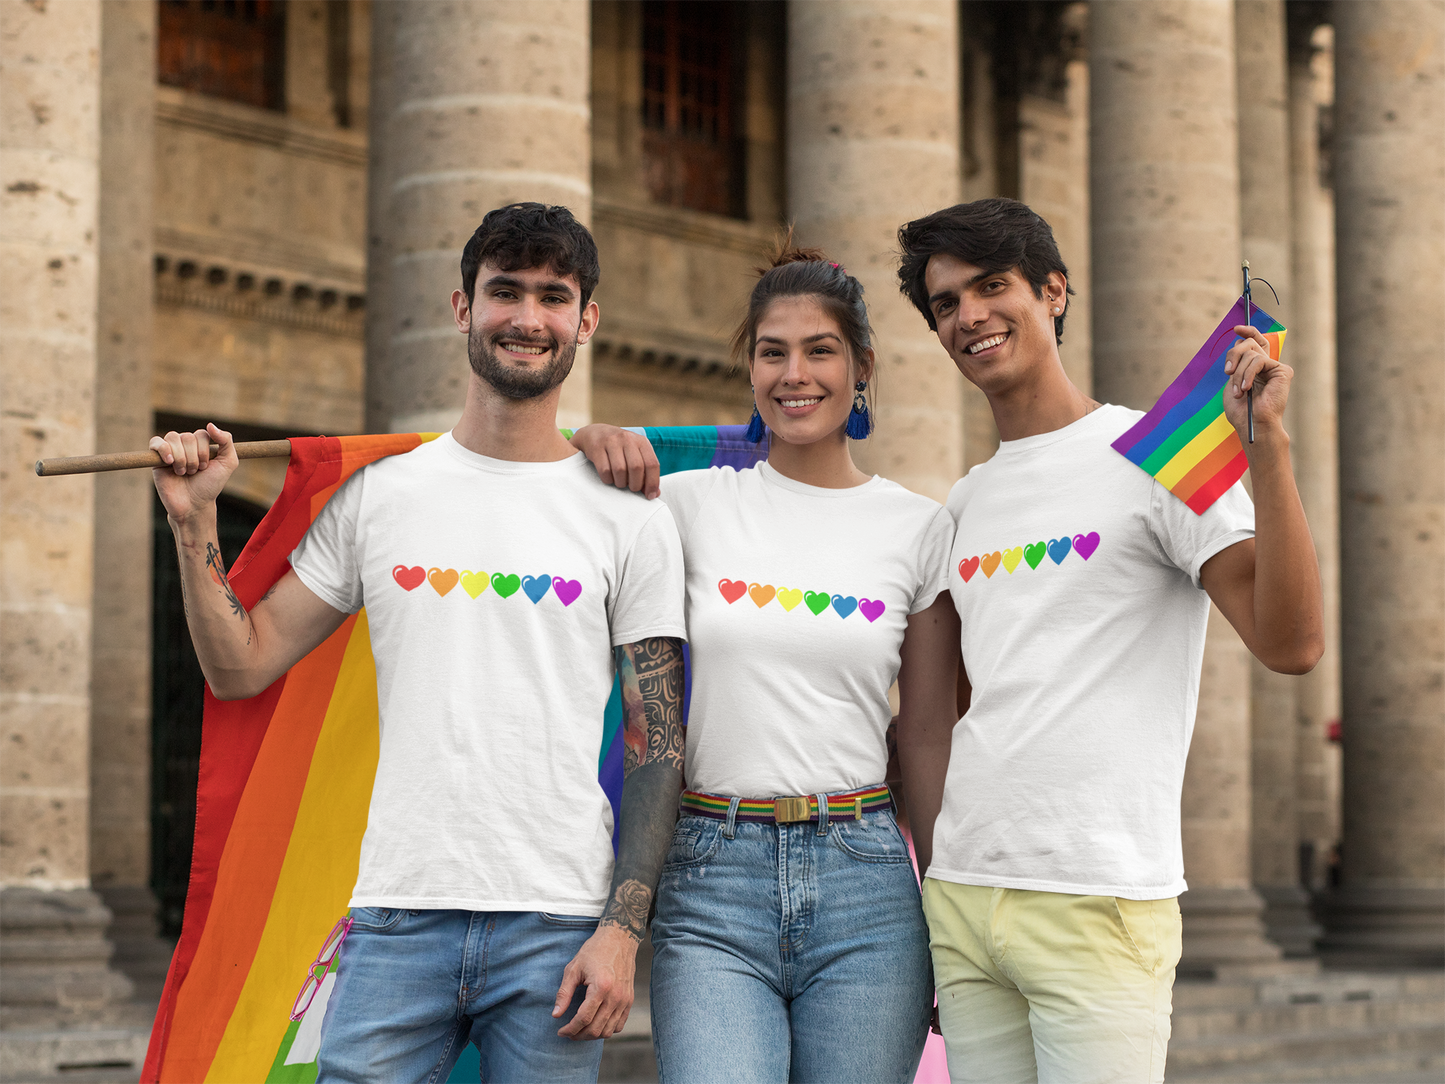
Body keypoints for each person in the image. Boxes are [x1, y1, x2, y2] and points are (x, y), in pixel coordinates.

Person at [148, 202, 688, 1084]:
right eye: (503, 291)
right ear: (460, 307)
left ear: (586, 320)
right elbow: (239, 664)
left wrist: (623, 931)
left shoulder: (630, 518)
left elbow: (658, 743)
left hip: (555, 924)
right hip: (396, 915)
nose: (526, 317)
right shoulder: (379, 497)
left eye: (553, 296)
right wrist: (194, 520)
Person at [893, 197, 1325, 1084]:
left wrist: (1267, 453)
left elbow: (1291, 644)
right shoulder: (964, 501)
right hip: (967, 899)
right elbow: (939, 720)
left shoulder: (1155, 456)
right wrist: (936, 883)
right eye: (944, 303)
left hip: (1101, 896)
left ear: (1052, 292)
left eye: (992, 285)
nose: (969, 315)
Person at [571, 246, 960, 1084]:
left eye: (819, 349)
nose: (794, 373)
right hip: (710, 875)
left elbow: (925, 734)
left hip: (867, 883)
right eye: (771, 350)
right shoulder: (680, 506)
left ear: (860, 368)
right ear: (748, 368)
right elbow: (536, 493)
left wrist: (948, 911)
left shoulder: (918, 528)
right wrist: (587, 441)